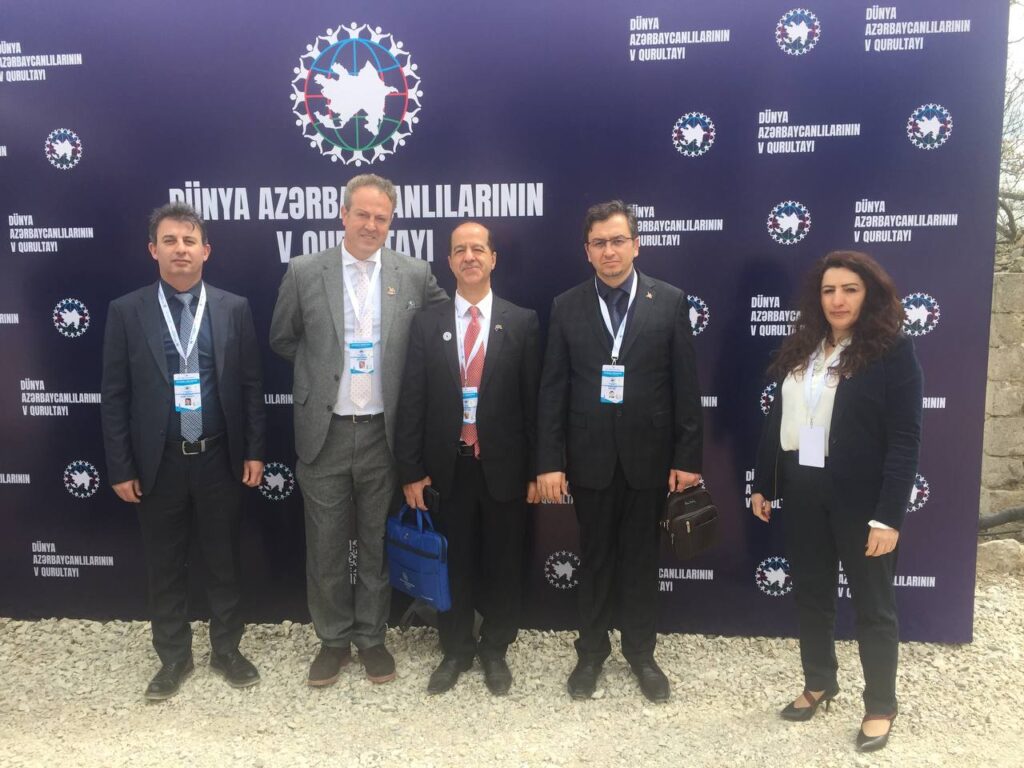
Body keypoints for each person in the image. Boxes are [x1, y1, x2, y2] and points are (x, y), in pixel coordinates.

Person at [270, 174, 447, 687]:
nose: (371, 225)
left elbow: (446, 327)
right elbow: (283, 338)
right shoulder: (305, 271)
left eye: (381, 217)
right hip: (324, 431)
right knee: (326, 547)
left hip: (383, 434)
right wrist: (323, 372)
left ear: (391, 222)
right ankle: (332, 641)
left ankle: (371, 638)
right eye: (363, 214)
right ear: (343, 214)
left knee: (375, 543)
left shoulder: (414, 273)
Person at [750, 250, 923, 753]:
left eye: (849, 289)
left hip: (862, 498)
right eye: (829, 290)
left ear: (869, 294)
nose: (838, 300)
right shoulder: (804, 346)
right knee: (812, 592)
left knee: (873, 604)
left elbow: (905, 439)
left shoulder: (892, 350)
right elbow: (779, 419)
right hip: (803, 488)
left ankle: (881, 705)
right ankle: (820, 682)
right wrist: (764, 483)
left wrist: (888, 516)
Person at [536, 200, 703, 703]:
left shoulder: (668, 301)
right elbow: (553, 389)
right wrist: (549, 460)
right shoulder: (566, 306)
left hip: (648, 460)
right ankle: (590, 654)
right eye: (599, 243)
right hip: (589, 460)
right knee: (595, 560)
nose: (609, 251)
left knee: (640, 562)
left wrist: (688, 458)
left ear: (636, 245)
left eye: (617, 241)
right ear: (587, 251)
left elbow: (686, 387)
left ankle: (641, 654)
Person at [100, 202, 266, 701]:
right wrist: (121, 466)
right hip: (159, 462)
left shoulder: (234, 308)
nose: (180, 250)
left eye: (189, 241)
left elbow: (251, 386)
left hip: (218, 456)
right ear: (153, 250)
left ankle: (226, 650)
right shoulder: (126, 311)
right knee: (164, 564)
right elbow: (115, 396)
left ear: (205, 251)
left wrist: (254, 450)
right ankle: (173, 657)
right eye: (169, 241)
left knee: (223, 559)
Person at [395, 222, 540, 696]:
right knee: (452, 563)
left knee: (503, 563)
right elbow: (412, 400)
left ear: (493, 259)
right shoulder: (427, 323)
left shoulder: (521, 321)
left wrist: (536, 470)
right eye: (460, 250)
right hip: (447, 469)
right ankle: (455, 650)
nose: (469, 256)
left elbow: (534, 403)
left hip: (504, 469)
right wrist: (411, 470)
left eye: (478, 249)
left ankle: (495, 648)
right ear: (449, 262)